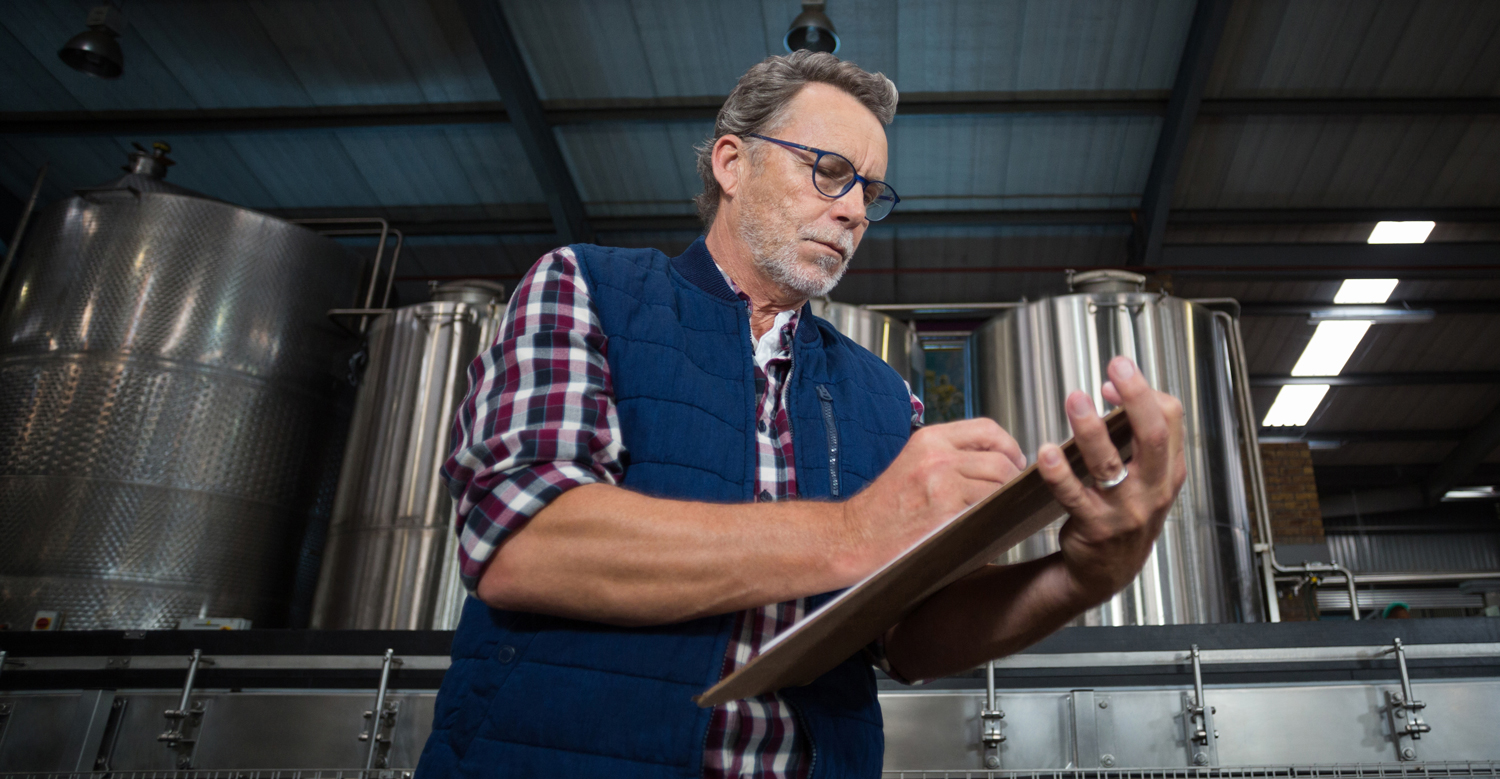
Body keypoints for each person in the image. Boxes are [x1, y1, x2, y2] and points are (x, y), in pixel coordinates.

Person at [415, 51, 1186, 779]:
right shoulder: (589, 288)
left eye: (869, 191)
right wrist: (858, 529)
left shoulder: (883, 394)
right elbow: (523, 537)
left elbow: (907, 638)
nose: (852, 210)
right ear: (731, 163)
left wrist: (1079, 575)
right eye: (829, 172)